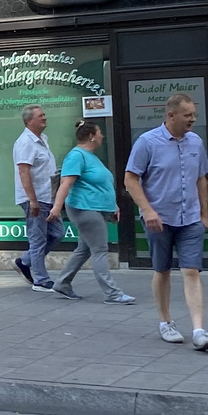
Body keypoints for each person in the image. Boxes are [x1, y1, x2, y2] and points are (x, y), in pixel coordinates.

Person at [124, 92, 208, 351]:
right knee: (162, 270)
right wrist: (147, 210)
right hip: (159, 219)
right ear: (171, 115)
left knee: (191, 271)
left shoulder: (196, 142)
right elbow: (131, 179)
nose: (193, 120)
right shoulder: (147, 142)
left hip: (190, 219)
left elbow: (201, 178)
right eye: (188, 115)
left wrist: (204, 213)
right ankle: (166, 322)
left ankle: (199, 330)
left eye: (194, 115)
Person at [46, 121, 134, 304]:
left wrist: (113, 206)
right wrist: (55, 208)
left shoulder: (91, 156)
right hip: (84, 208)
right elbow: (66, 184)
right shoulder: (76, 156)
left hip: (94, 208)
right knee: (100, 250)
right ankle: (112, 294)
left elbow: (101, 185)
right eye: (100, 132)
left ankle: (62, 283)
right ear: (92, 136)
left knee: (84, 249)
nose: (102, 136)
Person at [12, 104, 62, 292]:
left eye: (44, 115)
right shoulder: (25, 142)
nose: (44, 118)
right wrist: (32, 200)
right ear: (29, 120)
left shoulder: (43, 139)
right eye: (40, 116)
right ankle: (41, 280)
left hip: (48, 196)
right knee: (38, 238)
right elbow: (23, 171)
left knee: (58, 233)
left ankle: (25, 261)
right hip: (35, 198)